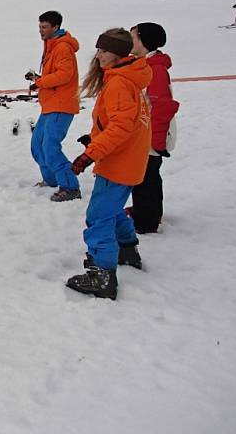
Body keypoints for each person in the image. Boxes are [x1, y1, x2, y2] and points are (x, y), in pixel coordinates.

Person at [66, 28, 151, 300]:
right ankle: (127, 249)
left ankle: (102, 275)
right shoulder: (126, 79)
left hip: (119, 163)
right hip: (128, 160)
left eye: (103, 51)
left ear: (116, 53)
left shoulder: (119, 83)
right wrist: (94, 137)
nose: (98, 55)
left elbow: (121, 128)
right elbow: (118, 124)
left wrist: (90, 153)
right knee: (112, 210)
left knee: (99, 216)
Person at [128, 23, 179, 234]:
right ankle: (148, 212)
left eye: (133, 38)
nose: (129, 41)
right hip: (147, 130)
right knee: (146, 174)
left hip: (153, 131)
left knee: (145, 175)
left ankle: (146, 221)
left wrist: (155, 141)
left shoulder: (154, 69)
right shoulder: (145, 64)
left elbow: (161, 106)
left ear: (143, 41)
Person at [25, 11, 81, 201]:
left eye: (45, 27)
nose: (41, 31)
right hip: (50, 104)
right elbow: (55, 74)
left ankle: (70, 186)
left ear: (55, 27)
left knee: (50, 146)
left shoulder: (63, 47)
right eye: (40, 27)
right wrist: (38, 80)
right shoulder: (51, 46)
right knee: (37, 145)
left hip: (62, 104)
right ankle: (51, 180)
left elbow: (65, 75)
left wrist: (41, 82)